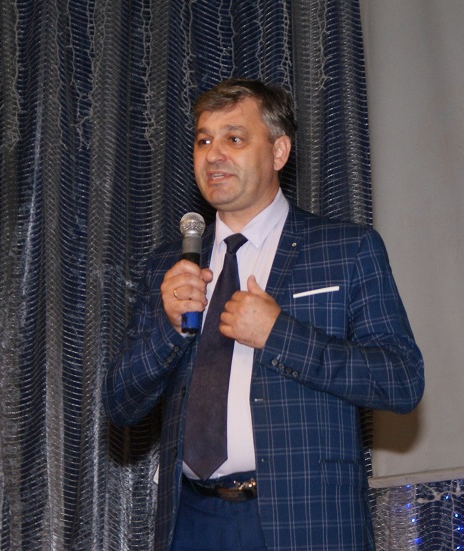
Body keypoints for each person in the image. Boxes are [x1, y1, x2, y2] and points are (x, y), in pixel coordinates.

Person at [103, 78, 424, 551]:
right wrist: (169, 329)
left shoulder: (346, 249)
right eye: (203, 141)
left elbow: (401, 380)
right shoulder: (170, 266)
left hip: (305, 520)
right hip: (192, 520)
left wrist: (280, 335)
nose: (214, 155)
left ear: (278, 151)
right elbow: (120, 403)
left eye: (234, 138)